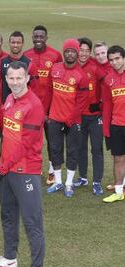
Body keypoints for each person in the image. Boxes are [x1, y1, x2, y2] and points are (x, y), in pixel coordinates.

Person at [0, 61, 45, 267]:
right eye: (11, 78)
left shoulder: (34, 105)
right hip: (7, 169)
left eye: (19, 78)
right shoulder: (9, 99)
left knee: (32, 222)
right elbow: (4, 129)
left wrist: (1, 168)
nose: (15, 82)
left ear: (27, 79)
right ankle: (10, 257)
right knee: (8, 215)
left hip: (25, 171)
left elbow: (24, 146)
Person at [46, 39, 89, 198]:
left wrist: (69, 120)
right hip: (55, 119)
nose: (70, 54)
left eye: (73, 51)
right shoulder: (55, 68)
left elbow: (81, 102)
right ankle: (58, 181)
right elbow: (50, 92)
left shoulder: (82, 76)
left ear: (77, 54)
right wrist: (47, 113)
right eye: (67, 51)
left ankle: (69, 183)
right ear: (64, 53)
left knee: (72, 151)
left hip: (73, 121)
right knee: (55, 150)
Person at [24, 25, 63, 185]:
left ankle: (53, 171)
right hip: (31, 108)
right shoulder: (26, 56)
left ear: (46, 38)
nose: (38, 39)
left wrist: (51, 109)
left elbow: (60, 81)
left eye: (41, 36)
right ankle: (32, 168)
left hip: (50, 108)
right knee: (30, 141)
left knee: (52, 142)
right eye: (36, 36)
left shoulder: (55, 55)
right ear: (32, 38)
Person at [73, 37, 105, 195]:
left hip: (95, 116)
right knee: (80, 147)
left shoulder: (95, 66)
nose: (84, 53)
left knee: (97, 149)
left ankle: (97, 181)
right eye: (81, 50)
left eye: (87, 50)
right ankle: (83, 177)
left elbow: (107, 85)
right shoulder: (72, 66)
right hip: (79, 116)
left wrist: (101, 104)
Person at [102, 45, 125, 203]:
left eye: (117, 58)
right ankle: (118, 191)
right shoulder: (108, 79)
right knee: (118, 159)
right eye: (111, 60)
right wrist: (106, 129)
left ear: (123, 58)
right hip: (117, 125)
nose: (115, 62)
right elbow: (107, 106)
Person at [0, 31, 38, 105]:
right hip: (5, 105)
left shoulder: (30, 64)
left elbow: (35, 89)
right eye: (13, 42)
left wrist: (31, 105)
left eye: (18, 43)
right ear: (9, 43)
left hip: (24, 106)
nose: (15, 45)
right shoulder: (0, 63)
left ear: (22, 44)